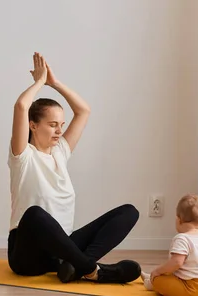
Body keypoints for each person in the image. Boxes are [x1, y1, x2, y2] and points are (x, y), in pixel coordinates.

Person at [7, 52, 141, 284]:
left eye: (61, 125)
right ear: (33, 125)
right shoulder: (23, 156)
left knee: (128, 212)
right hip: (27, 255)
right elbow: (21, 105)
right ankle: (94, 270)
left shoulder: (60, 152)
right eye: (52, 125)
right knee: (34, 215)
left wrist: (54, 83)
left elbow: (84, 110)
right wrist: (39, 82)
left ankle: (75, 266)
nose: (59, 131)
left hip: (61, 251)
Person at [141, 194, 198, 296]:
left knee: (159, 280)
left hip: (191, 287)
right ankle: (151, 277)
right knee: (170, 274)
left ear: (178, 220)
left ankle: (152, 283)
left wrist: (158, 271)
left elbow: (176, 263)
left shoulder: (182, 239)